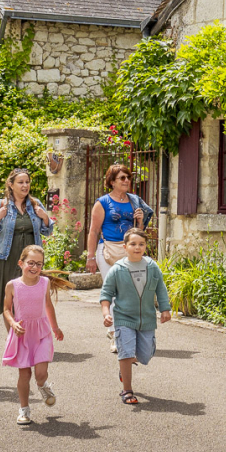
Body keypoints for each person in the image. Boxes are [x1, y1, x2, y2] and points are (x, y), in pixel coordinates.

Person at [99, 228, 170, 405]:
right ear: (125, 246)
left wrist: (165, 309)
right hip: (123, 318)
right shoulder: (117, 269)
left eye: (141, 244)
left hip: (146, 319)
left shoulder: (152, 267)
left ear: (145, 246)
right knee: (125, 352)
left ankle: (127, 362)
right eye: (133, 244)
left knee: (145, 355)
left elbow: (161, 289)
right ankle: (127, 390)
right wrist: (106, 314)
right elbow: (106, 294)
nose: (137, 247)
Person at [3, 245, 64, 425]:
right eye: (31, 263)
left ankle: (43, 385)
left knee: (40, 373)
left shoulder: (44, 283)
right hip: (22, 333)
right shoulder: (12, 285)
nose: (35, 267)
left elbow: (48, 305)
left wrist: (56, 328)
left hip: (42, 332)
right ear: (21, 263)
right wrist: (13, 323)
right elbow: (6, 309)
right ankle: (24, 410)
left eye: (39, 264)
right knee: (24, 374)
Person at [0, 168, 54, 318]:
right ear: (11, 184)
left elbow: (47, 232)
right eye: (20, 182)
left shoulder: (36, 205)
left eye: (27, 182)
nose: (25, 185)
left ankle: (26, 337)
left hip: (31, 261)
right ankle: (14, 338)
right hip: (6, 260)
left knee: (30, 302)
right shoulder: (1, 205)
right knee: (9, 304)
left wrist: (45, 218)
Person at [84, 165, 154, 277]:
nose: (126, 180)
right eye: (122, 178)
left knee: (128, 288)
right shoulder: (102, 203)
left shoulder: (134, 201)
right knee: (111, 288)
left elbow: (137, 233)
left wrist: (140, 221)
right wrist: (91, 257)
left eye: (128, 177)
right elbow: (94, 231)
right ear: (112, 182)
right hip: (107, 250)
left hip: (128, 250)